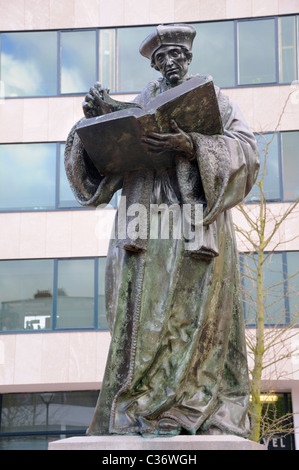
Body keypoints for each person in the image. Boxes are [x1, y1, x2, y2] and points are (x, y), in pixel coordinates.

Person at [64, 24, 260, 437]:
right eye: (161, 58)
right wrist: (94, 125)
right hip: (144, 229)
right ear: (155, 65)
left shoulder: (215, 101)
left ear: (187, 58)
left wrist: (191, 145)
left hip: (196, 228)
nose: (170, 62)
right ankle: (141, 406)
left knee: (195, 316)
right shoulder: (141, 103)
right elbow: (106, 167)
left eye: (175, 55)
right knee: (142, 318)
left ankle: (188, 406)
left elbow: (246, 152)